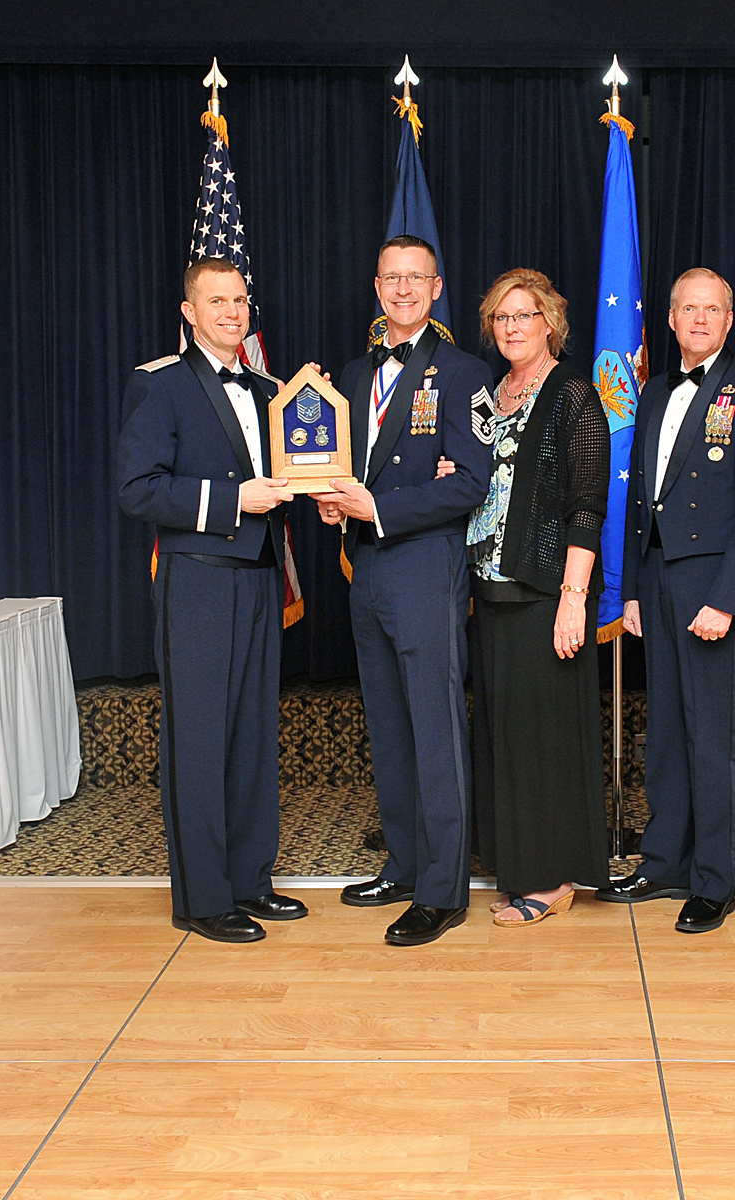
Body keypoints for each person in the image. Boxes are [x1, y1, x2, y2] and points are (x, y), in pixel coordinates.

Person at [116, 256, 303, 944]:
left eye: (241, 300)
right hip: (196, 577)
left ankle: (251, 880)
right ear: (189, 311)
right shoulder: (157, 385)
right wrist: (231, 500)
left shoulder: (267, 388)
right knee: (198, 740)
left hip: (256, 574)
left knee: (252, 735)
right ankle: (201, 897)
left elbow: (294, 469)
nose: (232, 312)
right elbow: (137, 489)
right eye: (217, 301)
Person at [599, 268, 735, 934]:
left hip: (712, 587)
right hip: (657, 582)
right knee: (668, 737)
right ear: (672, 319)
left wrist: (727, 598)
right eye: (689, 308)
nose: (701, 319)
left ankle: (712, 879)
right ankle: (663, 861)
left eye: (713, 309)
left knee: (713, 739)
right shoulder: (651, 391)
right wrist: (627, 592)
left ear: (728, 320)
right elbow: (637, 498)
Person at [315, 235, 494, 947]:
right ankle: (404, 863)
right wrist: (334, 503)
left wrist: (380, 509)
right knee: (388, 723)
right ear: (376, 285)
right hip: (367, 568)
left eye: (415, 278)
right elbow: (341, 467)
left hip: (425, 563)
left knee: (435, 726)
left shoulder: (463, 371)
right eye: (391, 277)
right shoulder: (352, 376)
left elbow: (471, 483)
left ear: (437, 286)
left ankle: (443, 888)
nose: (402, 289)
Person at [461, 268, 611, 927]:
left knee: (546, 737)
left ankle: (552, 879)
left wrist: (574, 599)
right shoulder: (490, 394)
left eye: (523, 316)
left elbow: (586, 505)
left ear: (550, 322)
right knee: (507, 734)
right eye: (501, 318)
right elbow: (475, 480)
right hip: (489, 590)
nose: (512, 328)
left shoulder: (574, 395)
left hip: (546, 589)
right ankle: (520, 866)